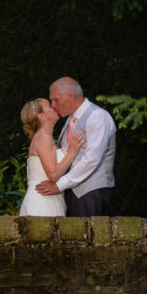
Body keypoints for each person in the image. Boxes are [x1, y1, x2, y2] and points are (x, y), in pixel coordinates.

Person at [35, 76, 116, 217]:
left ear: (72, 96)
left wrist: (59, 185)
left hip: (91, 193)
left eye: (56, 100)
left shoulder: (97, 116)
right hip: (69, 193)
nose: (53, 105)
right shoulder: (69, 120)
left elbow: (92, 160)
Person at [19, 97, 86, 217]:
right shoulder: (43, 138)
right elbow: (53, 174)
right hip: (42, 201)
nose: (54, 107)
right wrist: (71, 152)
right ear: (41, 116)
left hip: (49, 199)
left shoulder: (44, 137)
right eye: (49, 106)